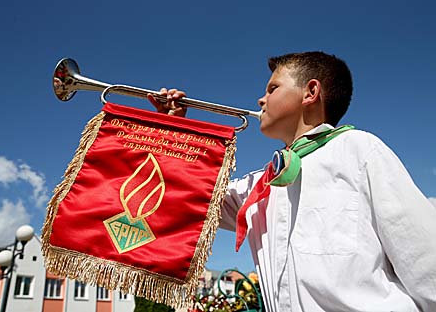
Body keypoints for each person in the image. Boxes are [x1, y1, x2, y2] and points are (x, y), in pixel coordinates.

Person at [148, 51, 436, 311]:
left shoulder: (359, 149)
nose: (261, 100)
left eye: (272, 88)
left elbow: (425, 262)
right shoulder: (261, 182)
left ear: (310, 92)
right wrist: (173, 129)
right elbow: (194, 197)